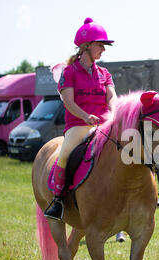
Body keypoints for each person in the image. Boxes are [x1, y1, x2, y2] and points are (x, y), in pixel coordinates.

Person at [44, 17, 118, 220]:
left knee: (129, 144)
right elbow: (68, 102)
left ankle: (146, 192)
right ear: (86, 46)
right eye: (100, 45)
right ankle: (58, 200)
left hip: (104, 123)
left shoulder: (104, 73)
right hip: (79, 125)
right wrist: (87, 117)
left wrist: (114, 113)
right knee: (66, 152)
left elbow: (111, 96)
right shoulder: (69, 72)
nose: (103, 49)